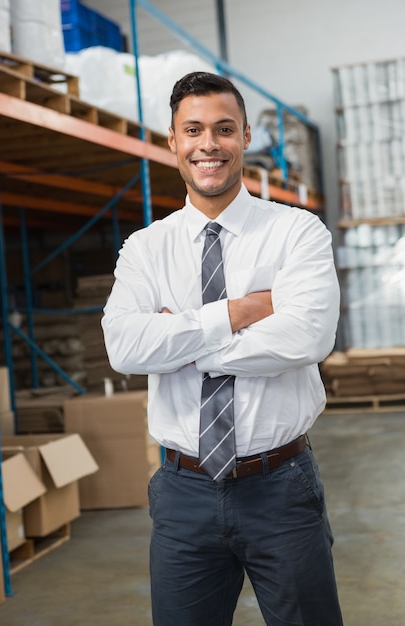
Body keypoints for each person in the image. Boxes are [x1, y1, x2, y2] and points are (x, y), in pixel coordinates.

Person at [101, 71, 343, 626]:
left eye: (223, 129)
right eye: (194, 130)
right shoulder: (145, 249)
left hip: (281, 487)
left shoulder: (297, 233)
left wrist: (180, 343)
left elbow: (306, 337)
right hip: (182, 493)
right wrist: (236, 314)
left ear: (245, 137)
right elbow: (125, 348)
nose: (208, 144)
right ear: (173, 141)